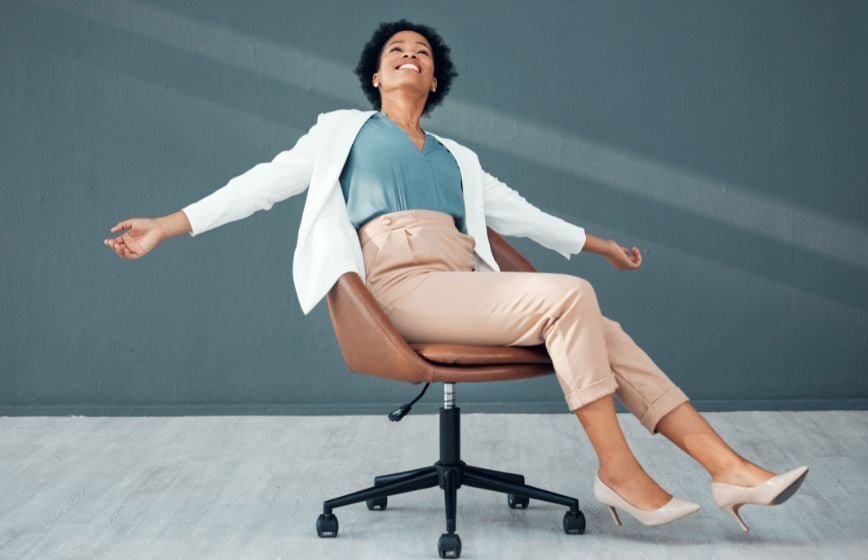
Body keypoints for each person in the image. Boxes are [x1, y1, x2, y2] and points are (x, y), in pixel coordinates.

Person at [103, 19, 807, 531]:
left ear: (434, 80)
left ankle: (728, 470)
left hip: (462, 282)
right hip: (395, 293)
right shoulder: (340, 134)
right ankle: (618, 472)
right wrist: (166, 225)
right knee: (574, 303)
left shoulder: (457, 159)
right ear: (377, 77)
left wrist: (602, 246)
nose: (409, 58)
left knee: (600, 321)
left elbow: (526, 216)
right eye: (395, 52)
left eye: (421, 54)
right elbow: (258, 185)